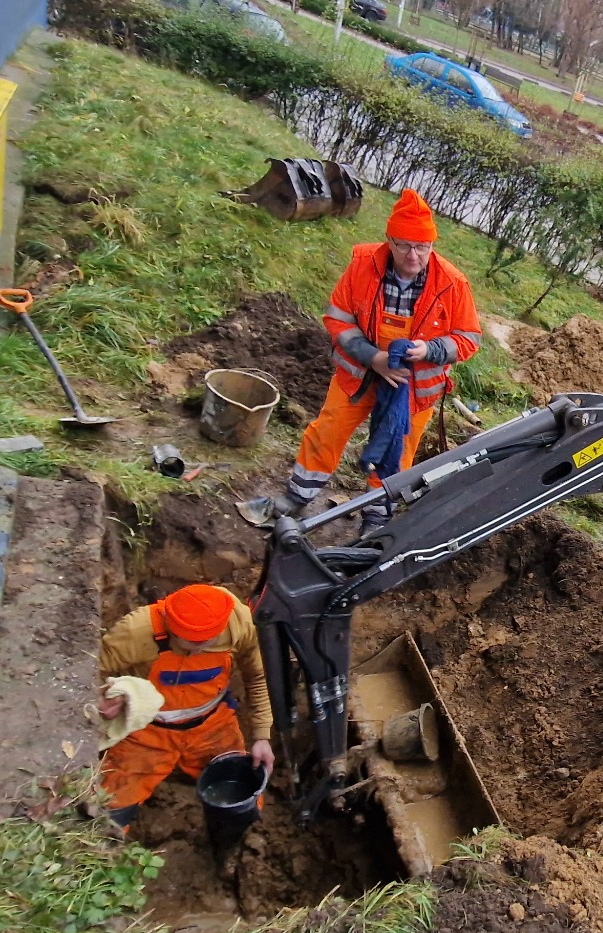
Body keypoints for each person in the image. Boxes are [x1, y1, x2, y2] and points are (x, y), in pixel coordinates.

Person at [241, 188, 483, 532]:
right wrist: (374, 358)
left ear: (432, 245)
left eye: (422, 247)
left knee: (397, 454)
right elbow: (338, 319)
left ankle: (376, 516)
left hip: (413, 390)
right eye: (404, 246)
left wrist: (428, 350)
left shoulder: (452, 284)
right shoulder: (362, 265)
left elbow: (468, 339)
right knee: (327, 432)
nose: (413, 256)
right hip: (359, 376)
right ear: (389, 240)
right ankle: (296, 498)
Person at [96, 583, 274, 835]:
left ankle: (231, 846)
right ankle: (105, 858)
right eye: (191, 642)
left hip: (212, 727)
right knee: (108, 808)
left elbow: (257, 677)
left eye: (208, 642)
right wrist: (101, 698)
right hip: (145, 734)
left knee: (241, 798)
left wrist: (262, 736)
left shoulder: (239, 624)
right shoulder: (136, 631)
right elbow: (90, 671)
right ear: (170, 624)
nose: (200, 650)